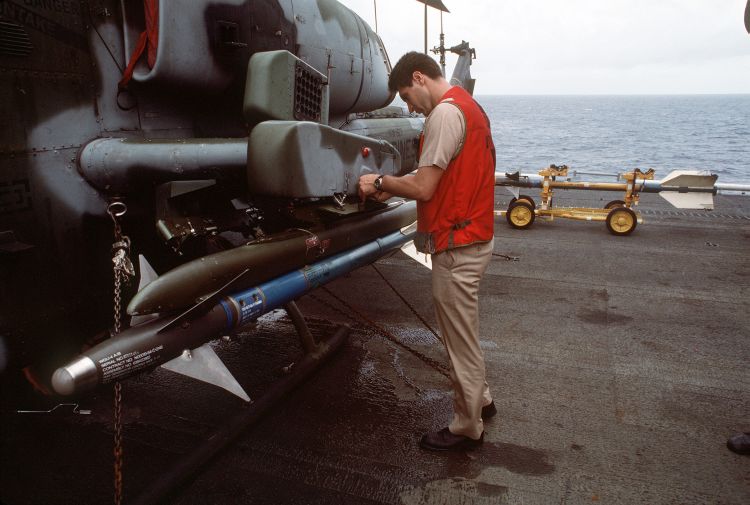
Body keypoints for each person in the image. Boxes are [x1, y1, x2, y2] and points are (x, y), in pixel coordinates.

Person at [358, 52, 497, 451]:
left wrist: (378, 181)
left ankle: (467, 426)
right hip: (476, 235)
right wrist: (394, 183)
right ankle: (481, 401)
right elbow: (442, 173)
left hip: (457, 246)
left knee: (459, 341)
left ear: (418, 78)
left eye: (406, 94)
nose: (408, 105)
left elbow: (424, 189)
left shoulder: (442, 115)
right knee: (464, 333)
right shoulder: (470, 108)